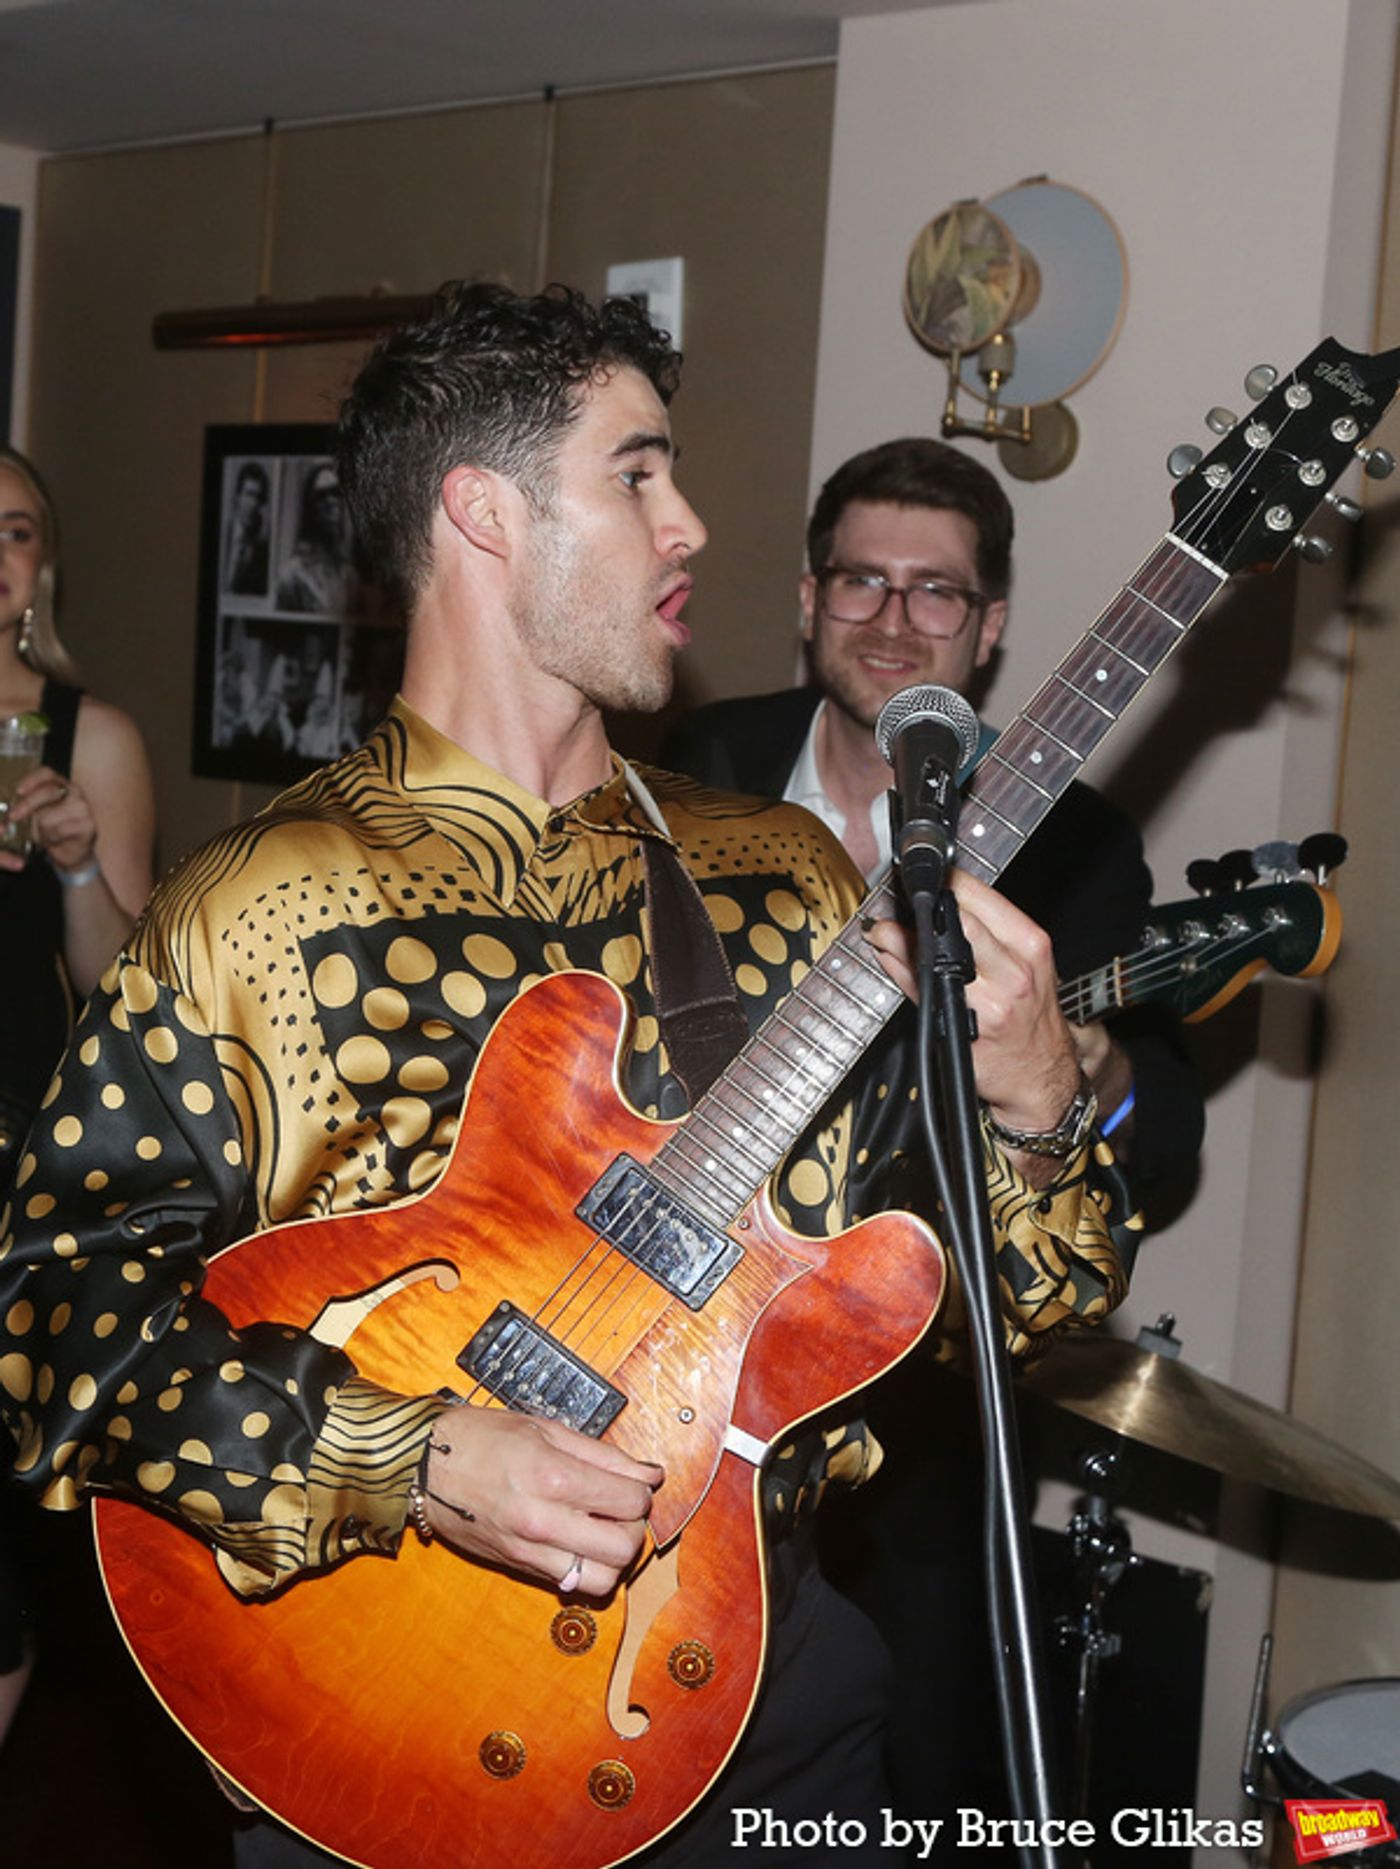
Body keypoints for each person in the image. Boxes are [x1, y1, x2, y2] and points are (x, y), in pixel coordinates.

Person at [0, 288, 1133, 1866]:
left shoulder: (783, 879)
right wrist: (415, 1454)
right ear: (483, 512)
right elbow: (56, 1323)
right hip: (376, 1708)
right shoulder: (257, 905)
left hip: (771, 1685)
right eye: (638, 474)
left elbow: (1009, 1317)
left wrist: (1037, 1105)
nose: (692, 523)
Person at [662, 436, 1205, 1830]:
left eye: (938, 592)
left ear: (992, 624)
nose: (894, 618)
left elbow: (1165, 1134)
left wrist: (1078, 1068)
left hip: (918, 1403)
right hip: (665, 1350)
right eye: (862, 579)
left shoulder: (1081, 844)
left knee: (903, 1780)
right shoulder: (683, 773)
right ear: (805, 596)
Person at [0, 443, 156, 1749]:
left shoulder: (82, 734)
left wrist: (73, 864)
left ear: (39, 565)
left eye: (13, 531)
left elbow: (121, 987)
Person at [275, 461, 353, 614]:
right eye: (322, 495)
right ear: (310, 506)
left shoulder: (350, 576)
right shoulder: (292, 576)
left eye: (335, 493)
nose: (331, 502)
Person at [221, 460, 271, 597]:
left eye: (259, 497)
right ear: (238, 496)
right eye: (249, 494)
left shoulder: (263, 550)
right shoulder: (222, 535)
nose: (254, 504)